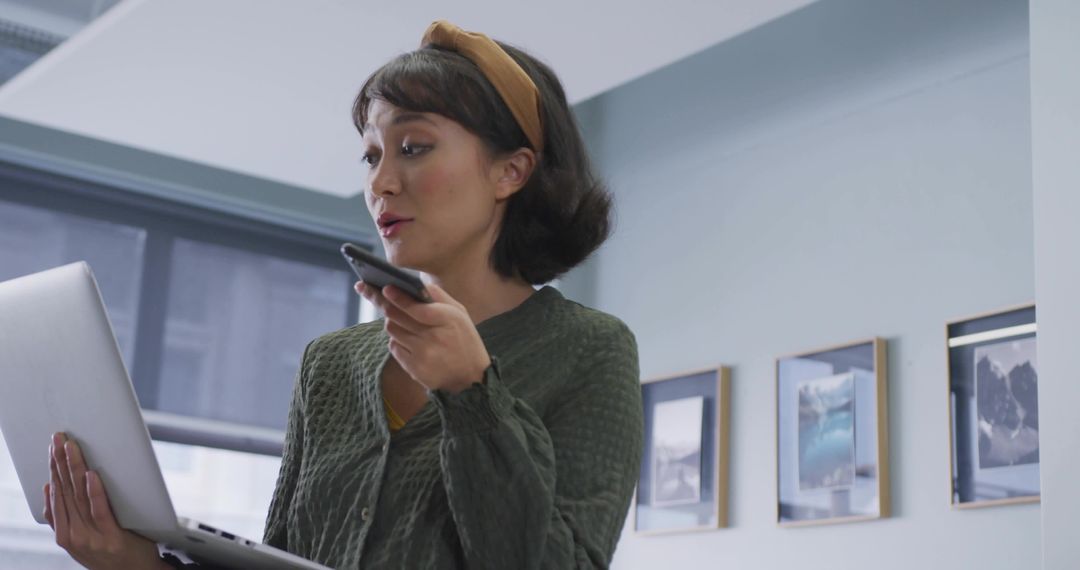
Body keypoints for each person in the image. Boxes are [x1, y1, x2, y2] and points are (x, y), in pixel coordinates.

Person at [45, 19, 644, 570]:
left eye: (413, 148)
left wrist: (472, 395)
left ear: (510, 172)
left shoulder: (590, 352)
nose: (380, 182)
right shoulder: (328, 363)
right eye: (371, 155)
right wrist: (137, 564)